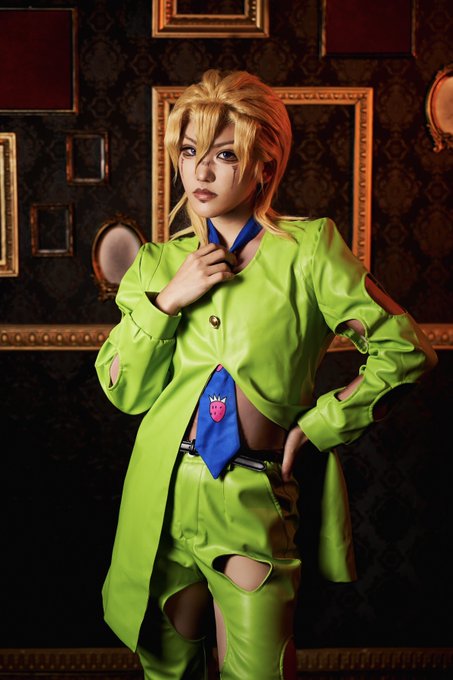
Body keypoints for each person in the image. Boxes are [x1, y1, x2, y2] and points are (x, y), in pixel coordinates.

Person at [95, 69, 438, 680]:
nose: (201, 171)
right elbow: (124, 390)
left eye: (225, 155)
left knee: (259, 672)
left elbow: (404, 349)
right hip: (161, 494)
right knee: (166, 669)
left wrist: (321, 425)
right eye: (190, 151)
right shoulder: (158, 264)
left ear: (264, 164)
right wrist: (166, 302)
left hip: (250, 495)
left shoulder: (308, 250)